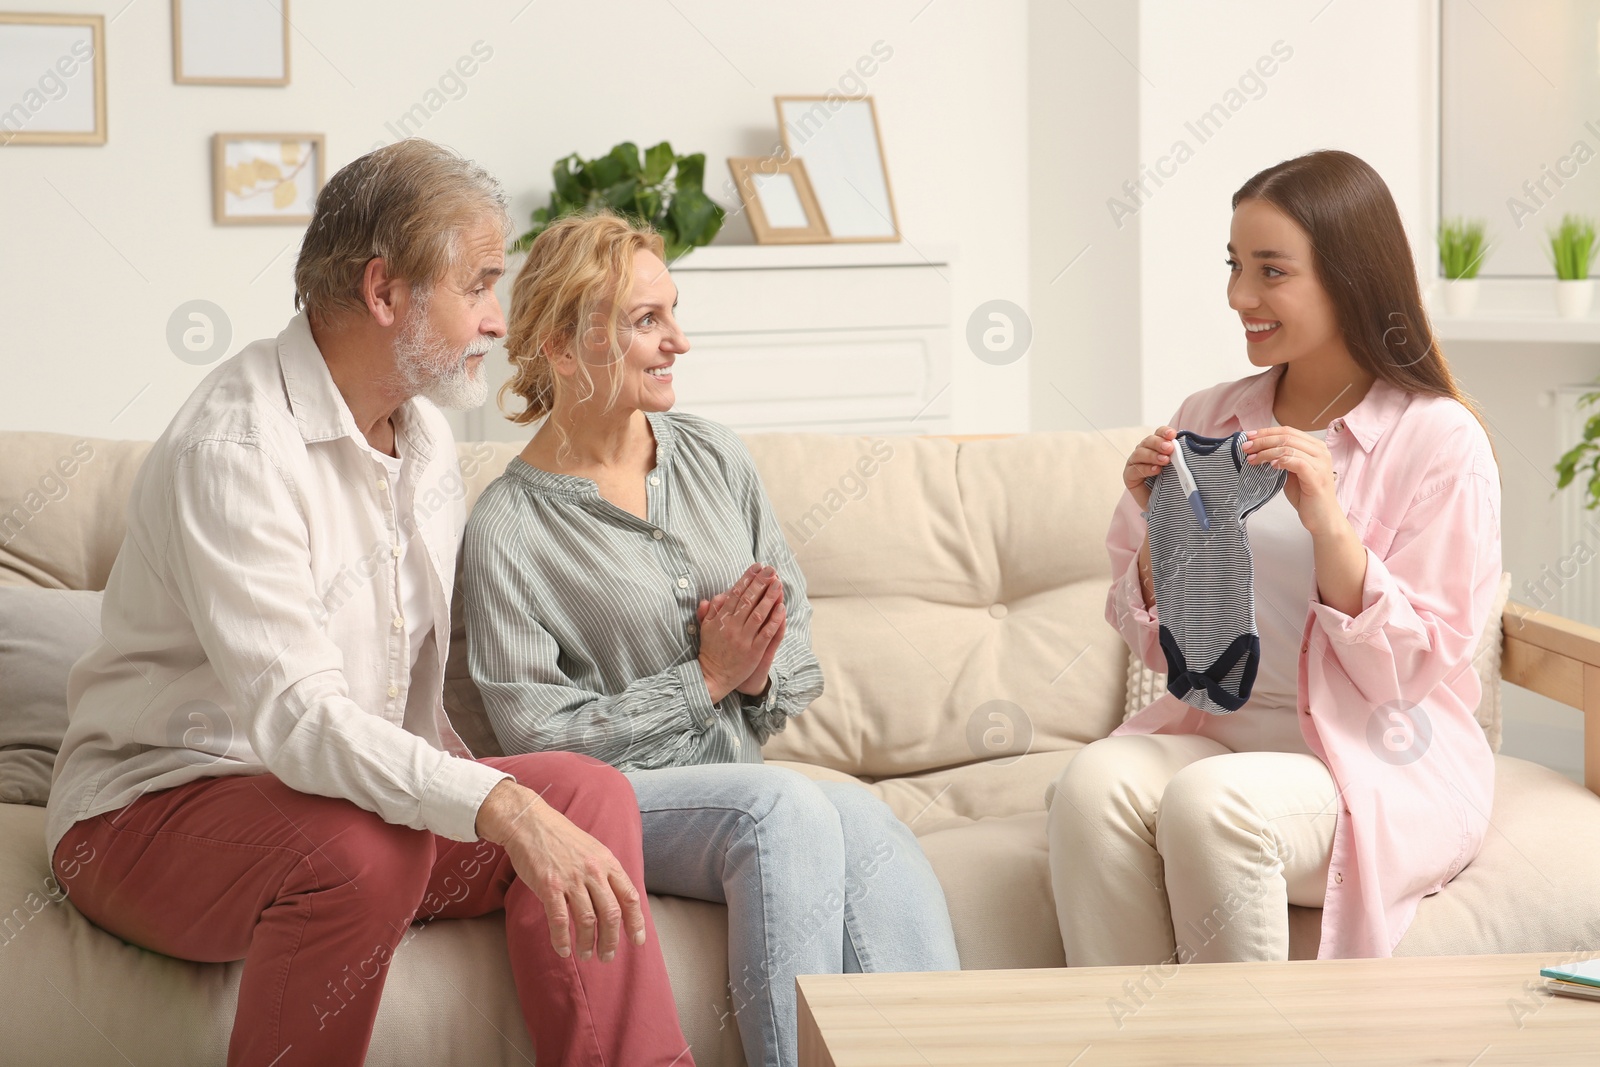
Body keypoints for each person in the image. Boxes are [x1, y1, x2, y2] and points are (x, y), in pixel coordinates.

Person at [45, 140, 694, 1067]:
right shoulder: (234, 448)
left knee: (586, 795)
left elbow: (407, 711)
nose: (497, 322)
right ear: (385, 292)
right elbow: (302, 719)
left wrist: (512, 797)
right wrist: (499, 806)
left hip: (336, 804)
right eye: (478, 285)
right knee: (367, 853)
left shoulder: (425, 443)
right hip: (147, 814)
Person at [462, 211, 961, 1067]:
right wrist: (704, 679)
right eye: (645, 321)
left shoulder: (715, 458)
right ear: (562, 346)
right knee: (786, 806)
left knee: (869, 821)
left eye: (673, 313)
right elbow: (538, 740)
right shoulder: (510, 525)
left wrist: (752, 671)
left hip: (735, 774)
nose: (678, 342)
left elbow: (796, 658)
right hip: (615, 801)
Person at [1047, 149, 1501, 965]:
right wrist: (1163, 534)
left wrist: (1330, 527)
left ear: (1350, 277)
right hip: (1222, 733)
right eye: (1234, 266)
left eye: (1270, 271)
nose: (1239, 297)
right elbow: (1156, 641)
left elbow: (1421, 664)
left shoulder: (1438, 438)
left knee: (1212, 804)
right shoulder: (1209, 416)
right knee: (1092, 783)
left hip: (1381, 754)